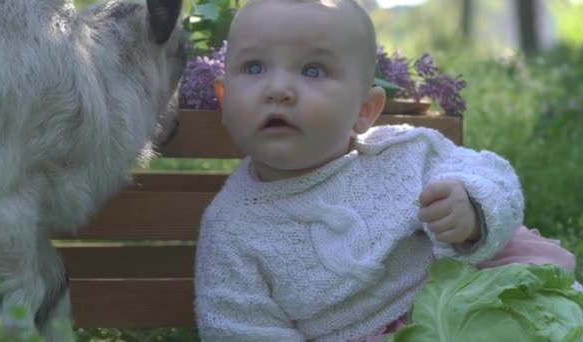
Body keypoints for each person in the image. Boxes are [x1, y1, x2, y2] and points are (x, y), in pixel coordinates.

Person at [194, 0, 578, 341]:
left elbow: (495, 177)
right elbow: (239, 327)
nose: (278, 89)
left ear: (365, 111)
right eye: (254, 66)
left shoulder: (403, 152)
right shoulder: (230, 229)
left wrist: (473, 205)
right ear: (224, 100)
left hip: (473, 294)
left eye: (312, 71)